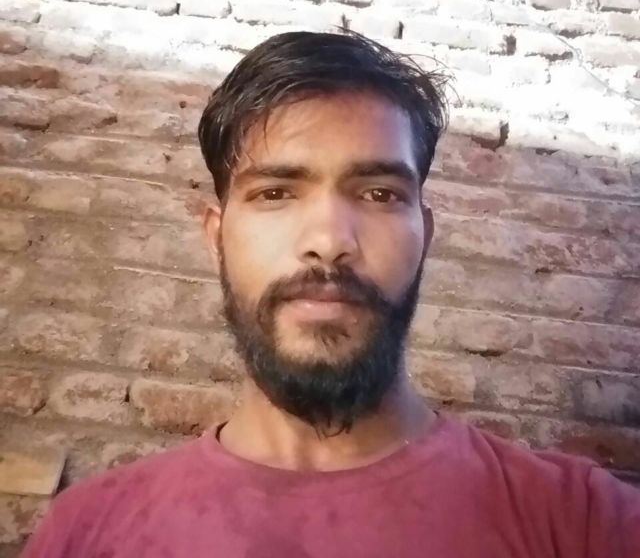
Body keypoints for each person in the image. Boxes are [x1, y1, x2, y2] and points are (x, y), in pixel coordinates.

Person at [22, 31, 640, 557]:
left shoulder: (587, 524)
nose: (329, 241)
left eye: (379, 194)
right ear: (216, 237)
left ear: (424, 235)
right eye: (275, 193)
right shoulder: (85, 533)